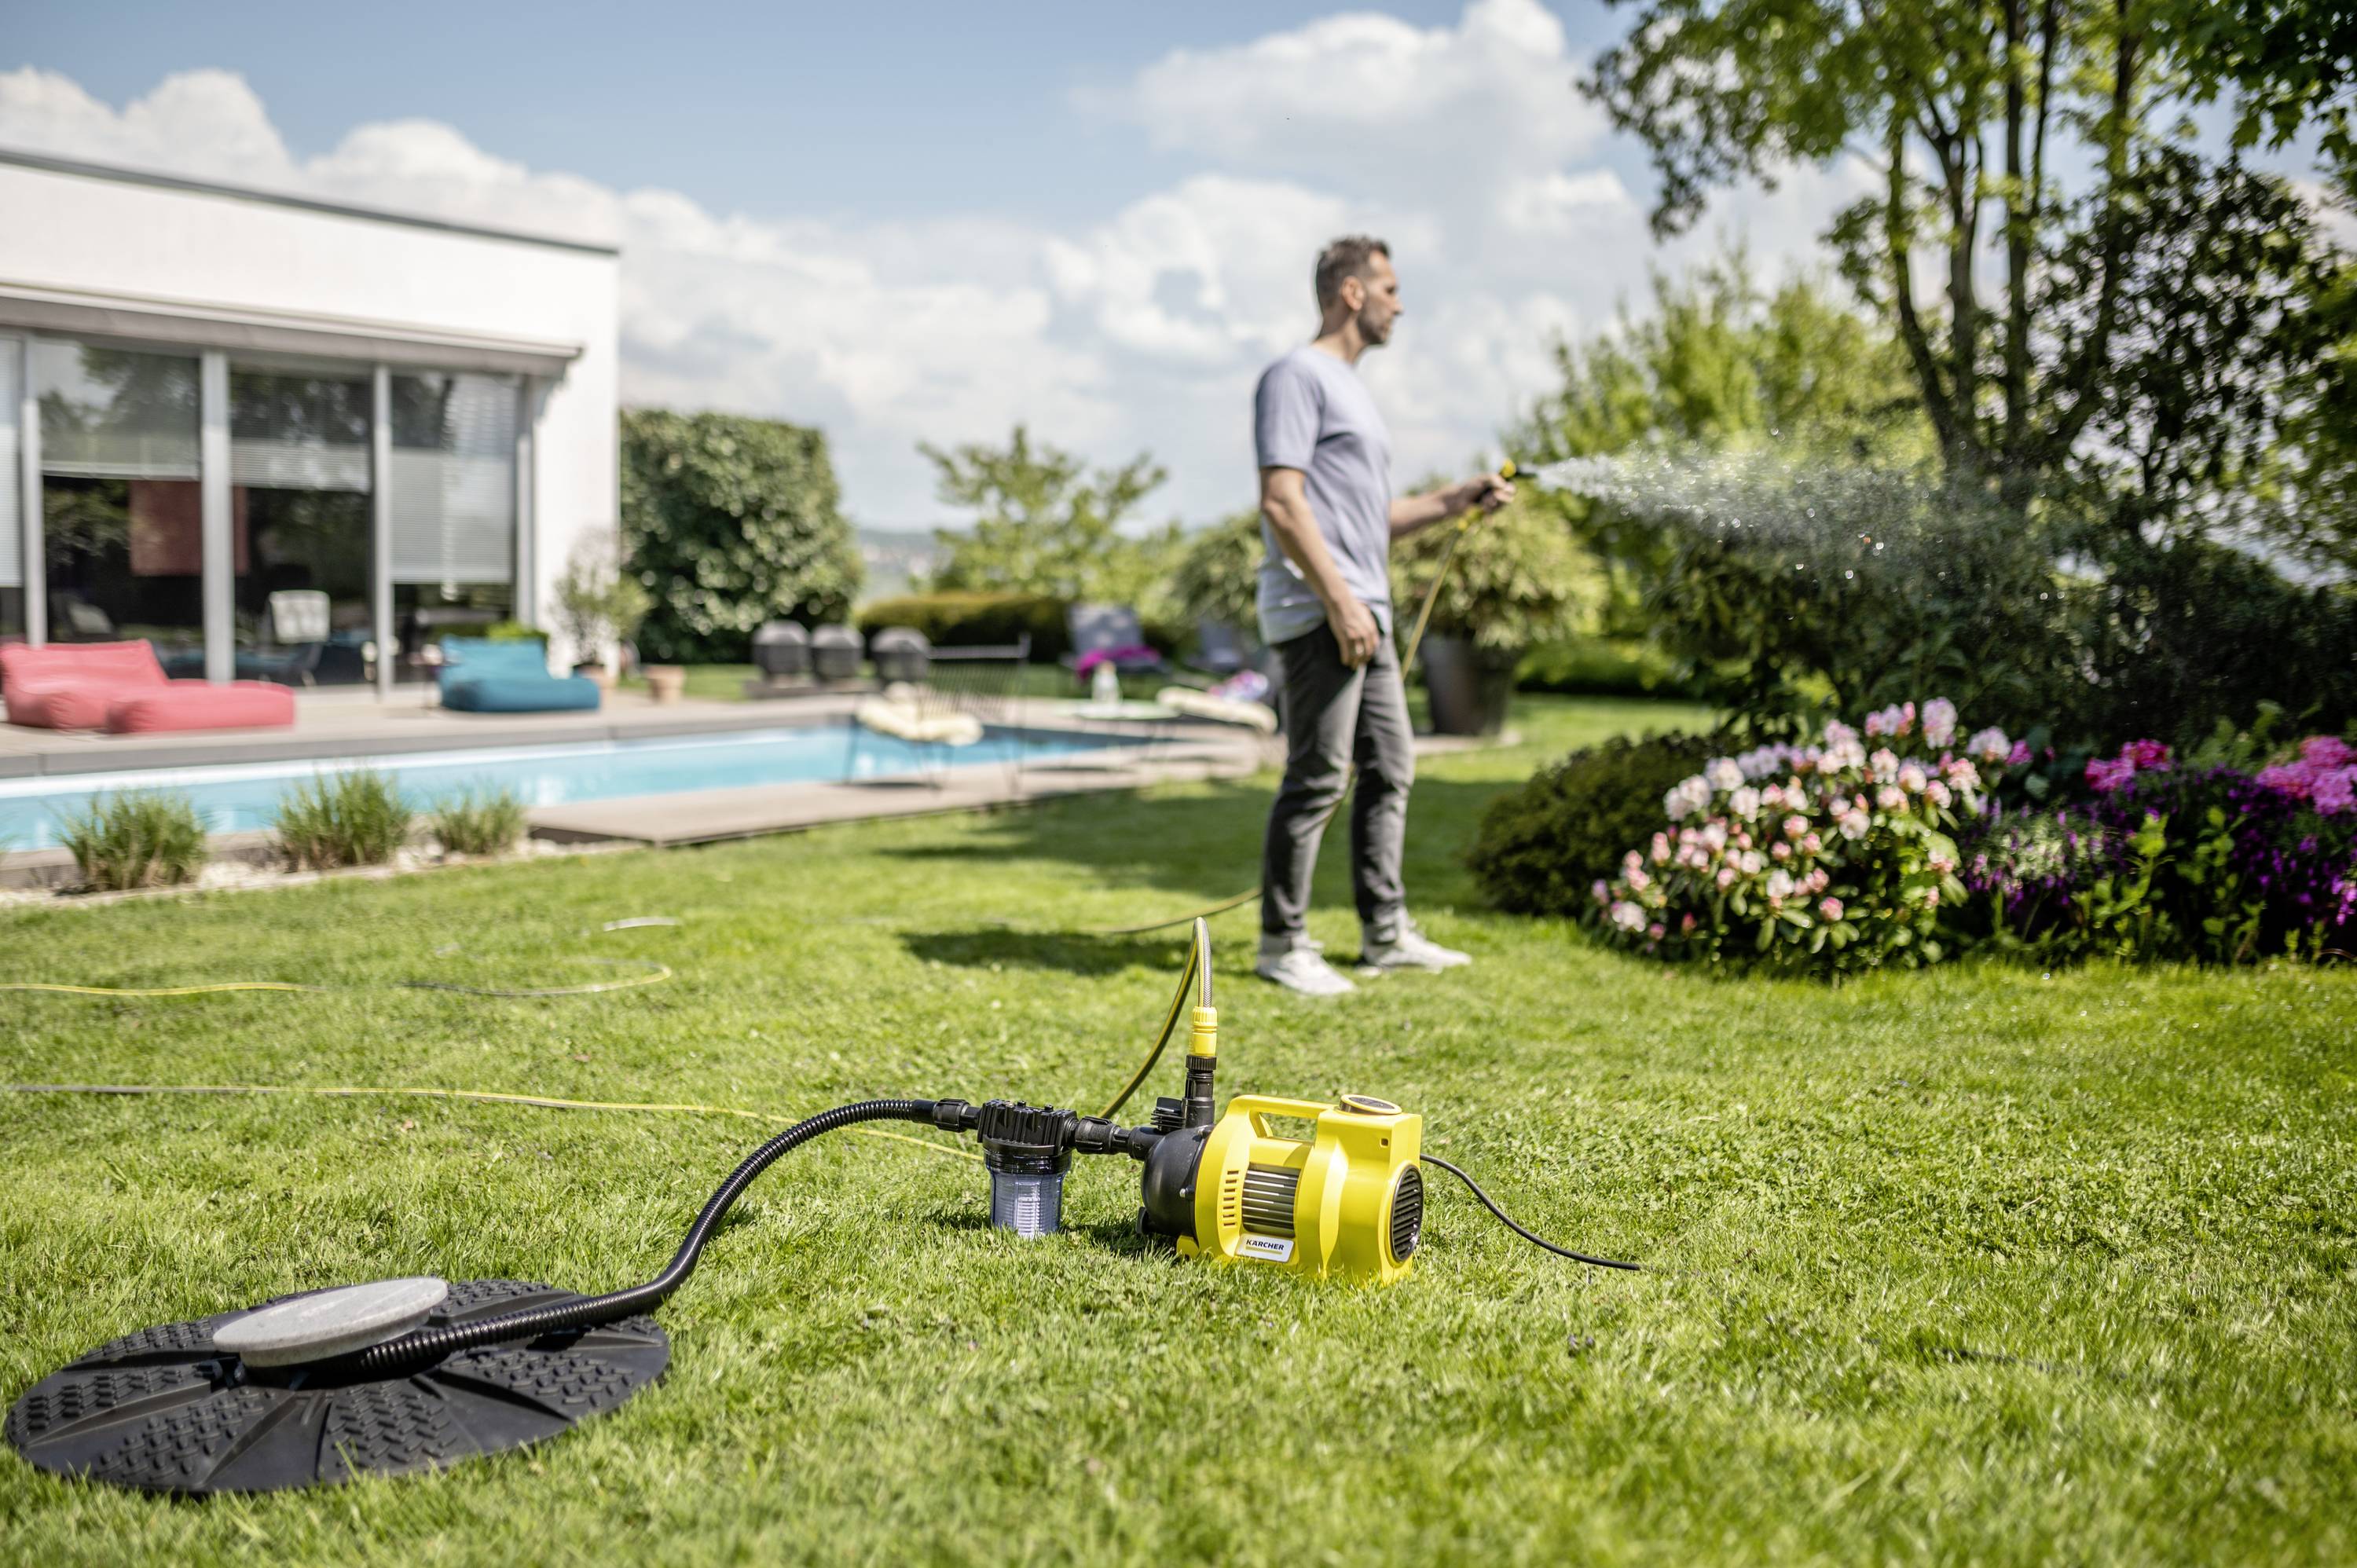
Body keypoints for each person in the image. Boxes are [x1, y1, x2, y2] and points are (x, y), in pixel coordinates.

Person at [1252, 235, 1512, 996]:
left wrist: (1451, 501)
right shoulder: (1297, 376)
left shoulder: (1352, 388)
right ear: (1353, 292)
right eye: (1391, 288)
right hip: (1322, 610)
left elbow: (1366, 521)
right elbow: (1280, 500)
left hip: (1364, 609)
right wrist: (1339, 600)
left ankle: (1384, 932)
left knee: (1391, 767)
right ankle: (1283, 943)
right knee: (1319, 775)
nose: (1402, 303)